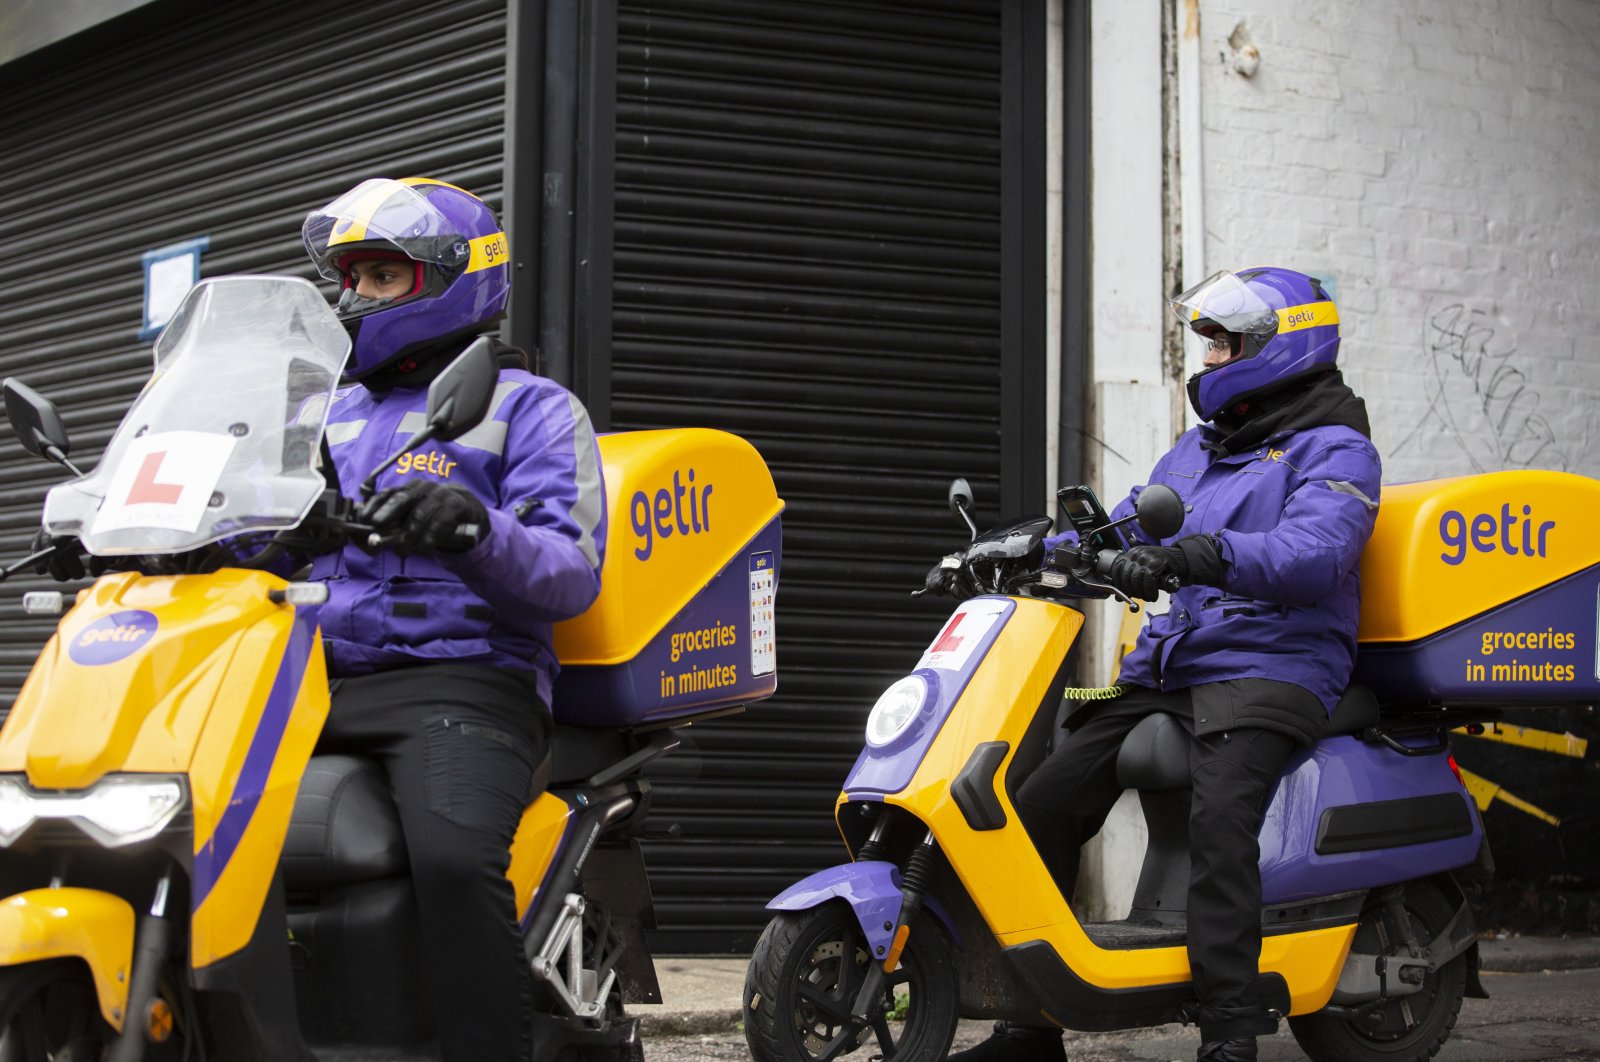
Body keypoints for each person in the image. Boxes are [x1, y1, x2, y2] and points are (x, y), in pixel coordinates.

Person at [949, 268, 1380, 1062]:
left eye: (1225, 342)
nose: (1209, 357)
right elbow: (1120, 532)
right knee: (1039, 803)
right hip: (1173, 670)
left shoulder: (1337, 451)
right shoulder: (1197, 449)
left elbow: (1315, 555)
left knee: (1221, 826)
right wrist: (1023, 548)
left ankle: (1229, 1033)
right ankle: (1029, 1027)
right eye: (1208, 342)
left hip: (1274, 668)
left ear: (1277, 346)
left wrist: (1199, 555)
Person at [299, 176, 607, 1062]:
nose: (353, 297)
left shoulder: (532, 408)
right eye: (348, 278)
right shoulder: (323, 412)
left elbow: (569, 574)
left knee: (449, 860)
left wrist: (472, 528)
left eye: (380, 277)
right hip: (304, 679)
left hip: (459, 684)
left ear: (448, 280)